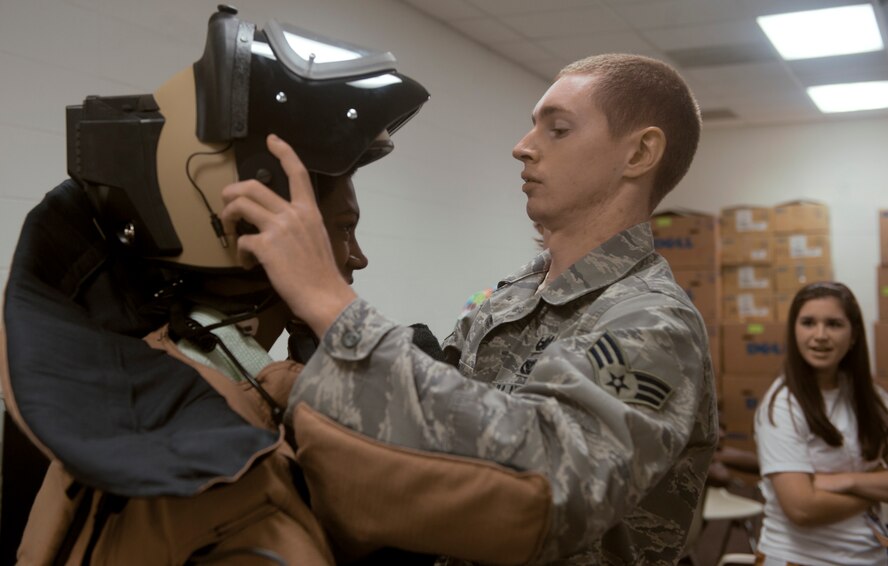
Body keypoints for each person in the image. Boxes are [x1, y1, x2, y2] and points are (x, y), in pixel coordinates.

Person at [221, 53, 717, 564]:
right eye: (532, 129)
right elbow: (434, 425)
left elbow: (549, 480)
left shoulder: (653, 321)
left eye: (559, 130)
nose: (522, 148)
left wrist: (331, 303)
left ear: (639, 154)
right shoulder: (512, 296)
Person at [0, 7, 428, 564]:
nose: (359, 257)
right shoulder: (230, 476)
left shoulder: (120, 386)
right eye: (342, 230)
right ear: (251, 228)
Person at [754, 281, 888, 565]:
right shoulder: (782, 406)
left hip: (871, 554)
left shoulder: (873, 398)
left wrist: (842, 481)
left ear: (853, 336)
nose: (820, 335)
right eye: (808, 323)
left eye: (834, 324)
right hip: (802, 558)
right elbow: (802, 508)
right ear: (794, 331)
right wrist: (873, 486)